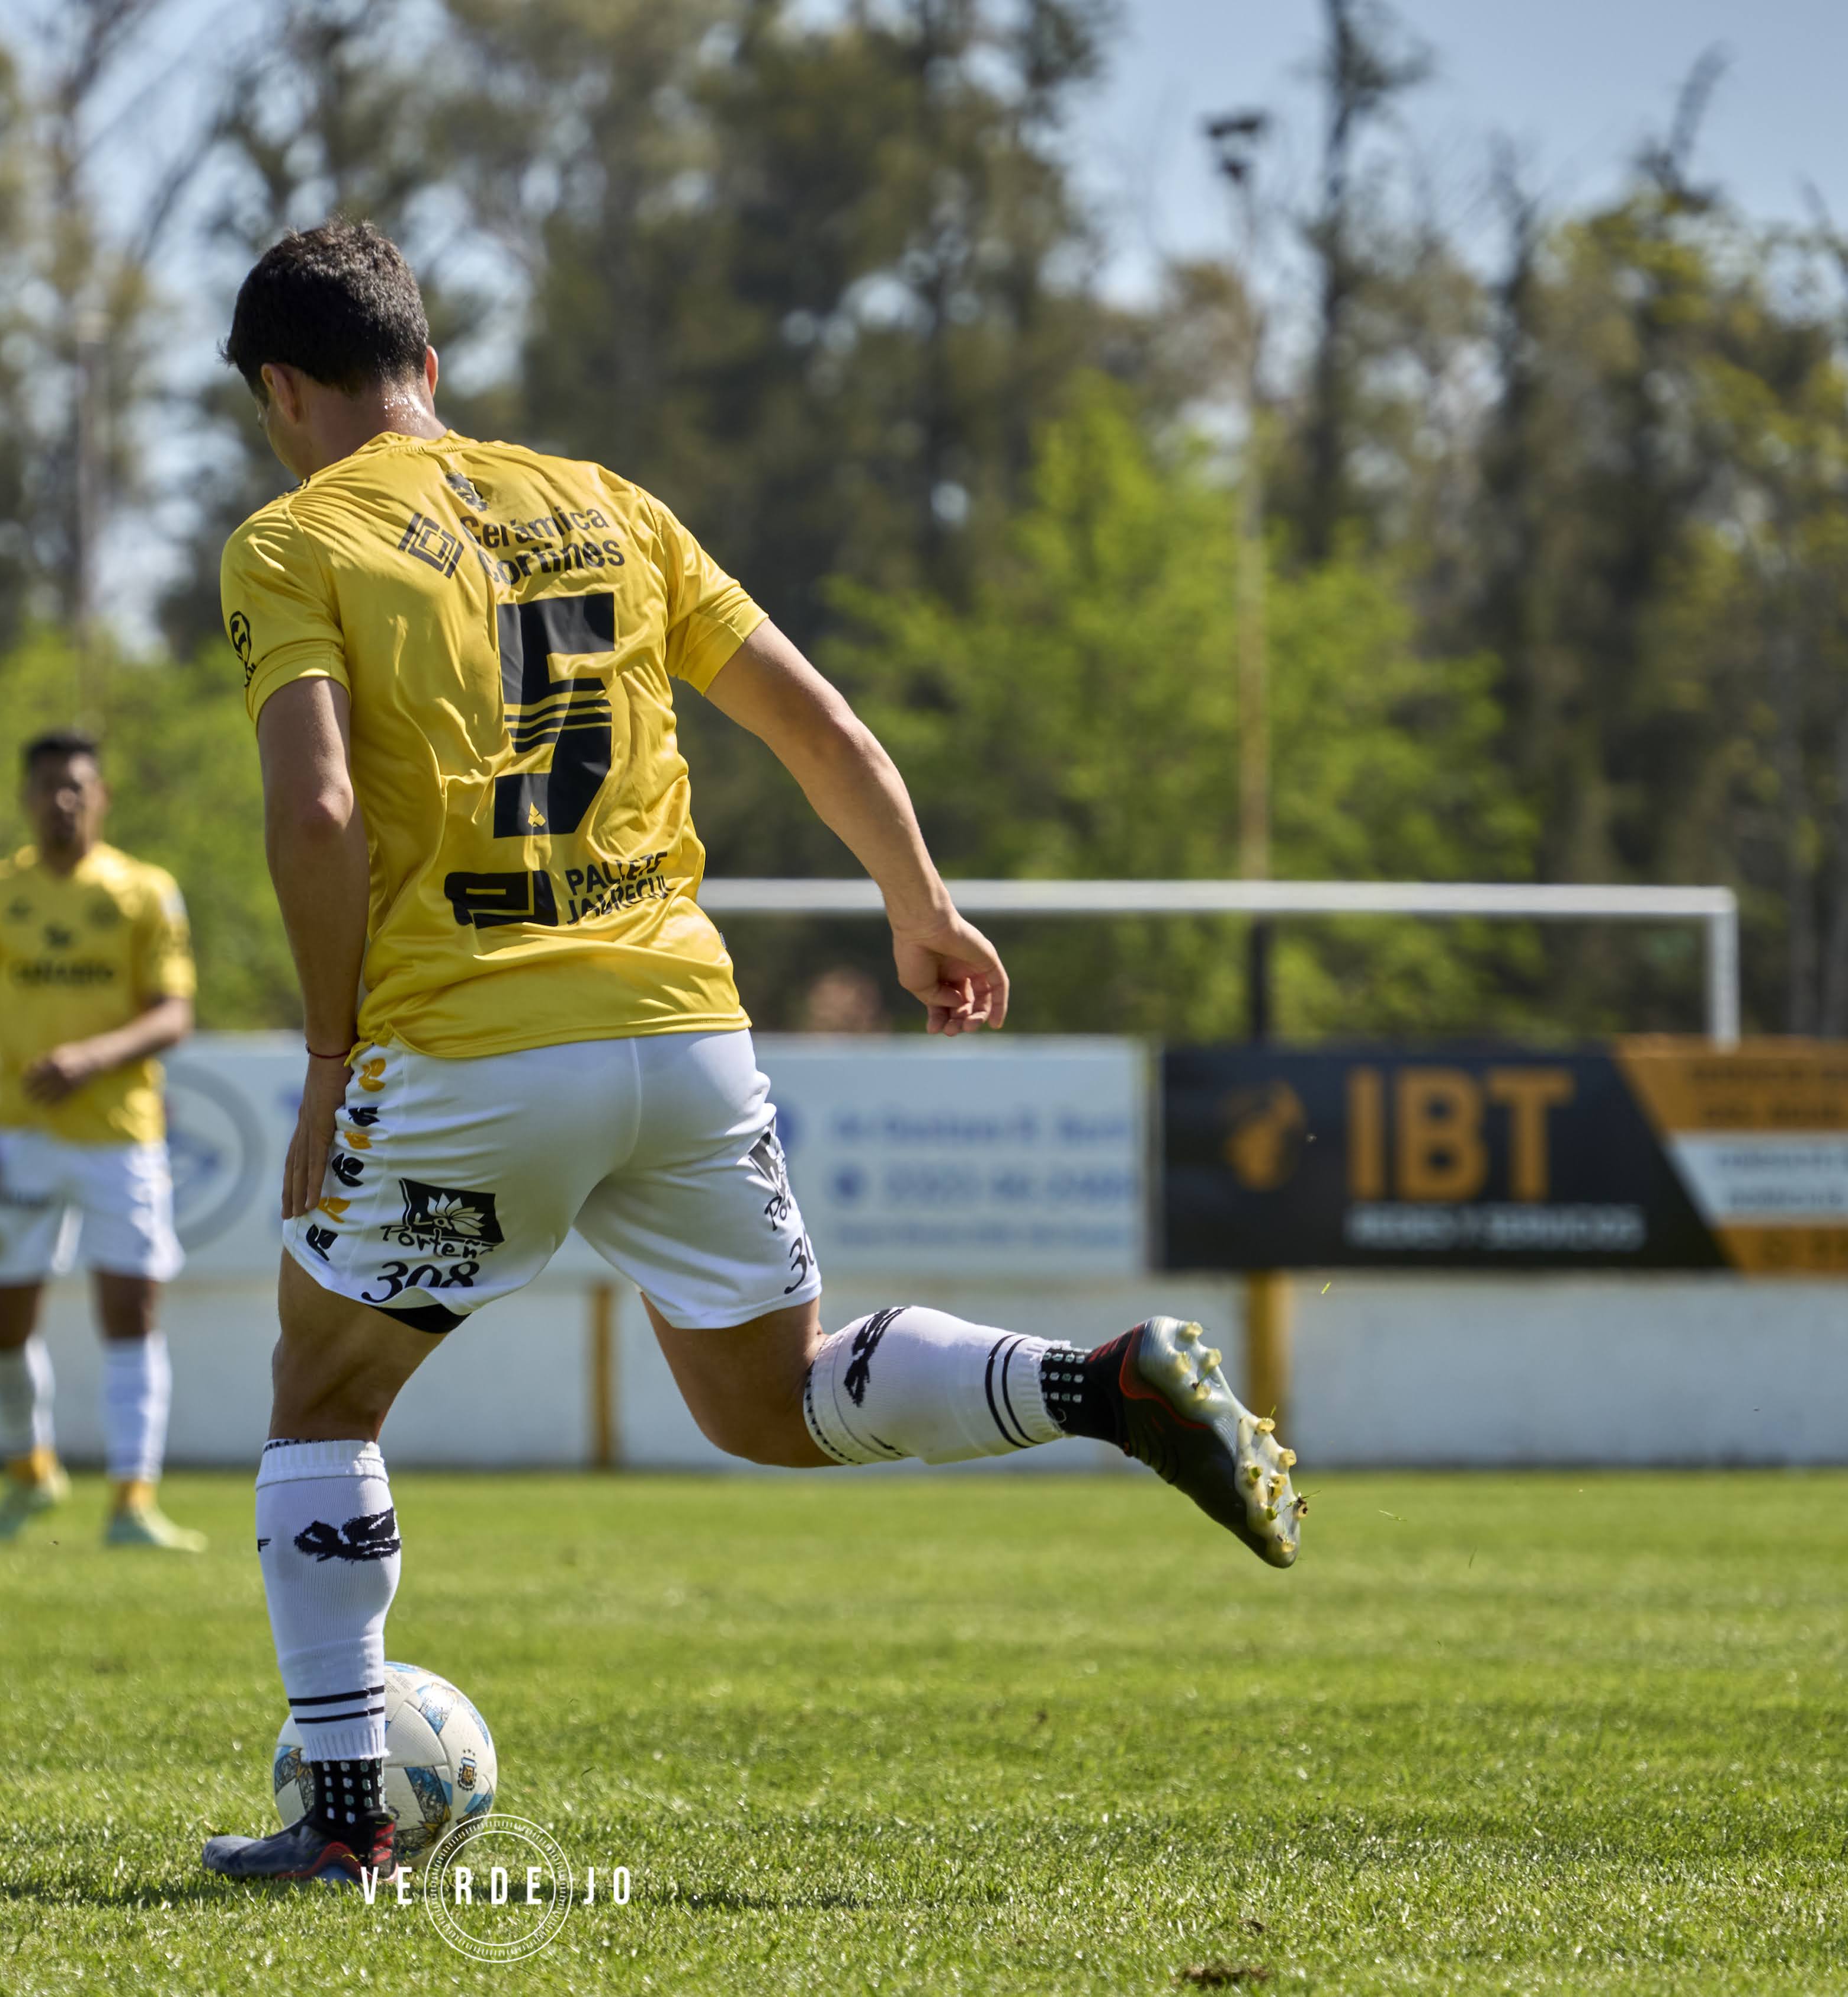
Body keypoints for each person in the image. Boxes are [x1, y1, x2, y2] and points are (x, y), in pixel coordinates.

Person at [198, 223, 1308, 1884]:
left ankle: (348, 1813)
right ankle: (1101, 1381)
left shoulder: (293, 542)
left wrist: (325, 1055)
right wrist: (921, 906)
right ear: (425, 362)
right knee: (776, 1400)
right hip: (687, 1032)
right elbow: (820, 723)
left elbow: (318, 804)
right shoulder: (611, 502)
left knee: (321, 1389)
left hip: (475, 1040)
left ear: (285, 389)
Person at [0, 729, 204, 1553]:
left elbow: (174, 1012)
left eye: (78, 786)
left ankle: (132, 1498)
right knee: (0, 1321)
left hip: (120, 1135)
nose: (63, 799)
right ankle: (30, 1471)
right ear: (25, 797)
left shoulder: (145, 891)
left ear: (103, 797)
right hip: (20, 1133)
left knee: (131, 1311)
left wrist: (92, 1056)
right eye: (49, 786)